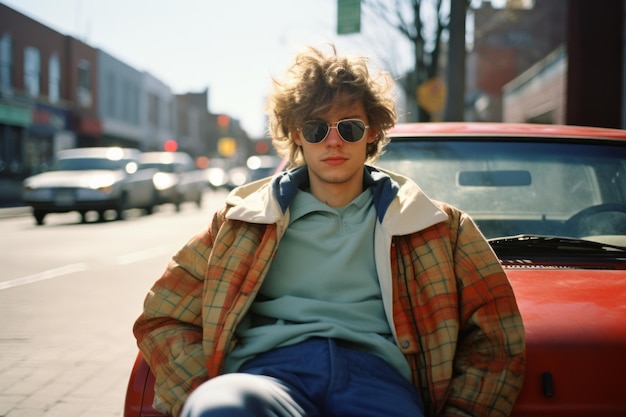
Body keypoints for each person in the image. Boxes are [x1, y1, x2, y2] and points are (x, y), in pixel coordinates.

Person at [133, 44, 525, 417]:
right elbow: (162, 316)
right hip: (268, 376)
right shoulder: (242, 222)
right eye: (316, 127)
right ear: (296, 134)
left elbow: (497, 336)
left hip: (380, 381)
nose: (333, 141)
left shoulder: (438, 227)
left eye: (350, 128)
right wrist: (204, 386)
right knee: (220, 408)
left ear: (372, 131)